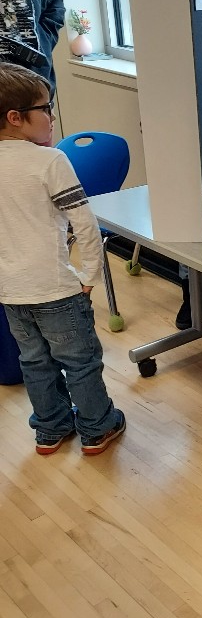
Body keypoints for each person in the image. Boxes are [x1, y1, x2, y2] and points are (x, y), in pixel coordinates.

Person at [0, 63, 125, 454]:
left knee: (34, 361)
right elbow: (85, 225)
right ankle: (97, 427)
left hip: (12, 293)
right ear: (16, 118)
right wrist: (90, 276)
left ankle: (51, 429)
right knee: (81, 361)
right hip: (56, 290)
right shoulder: (50, 161)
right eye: (46, 107)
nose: (52, 116)